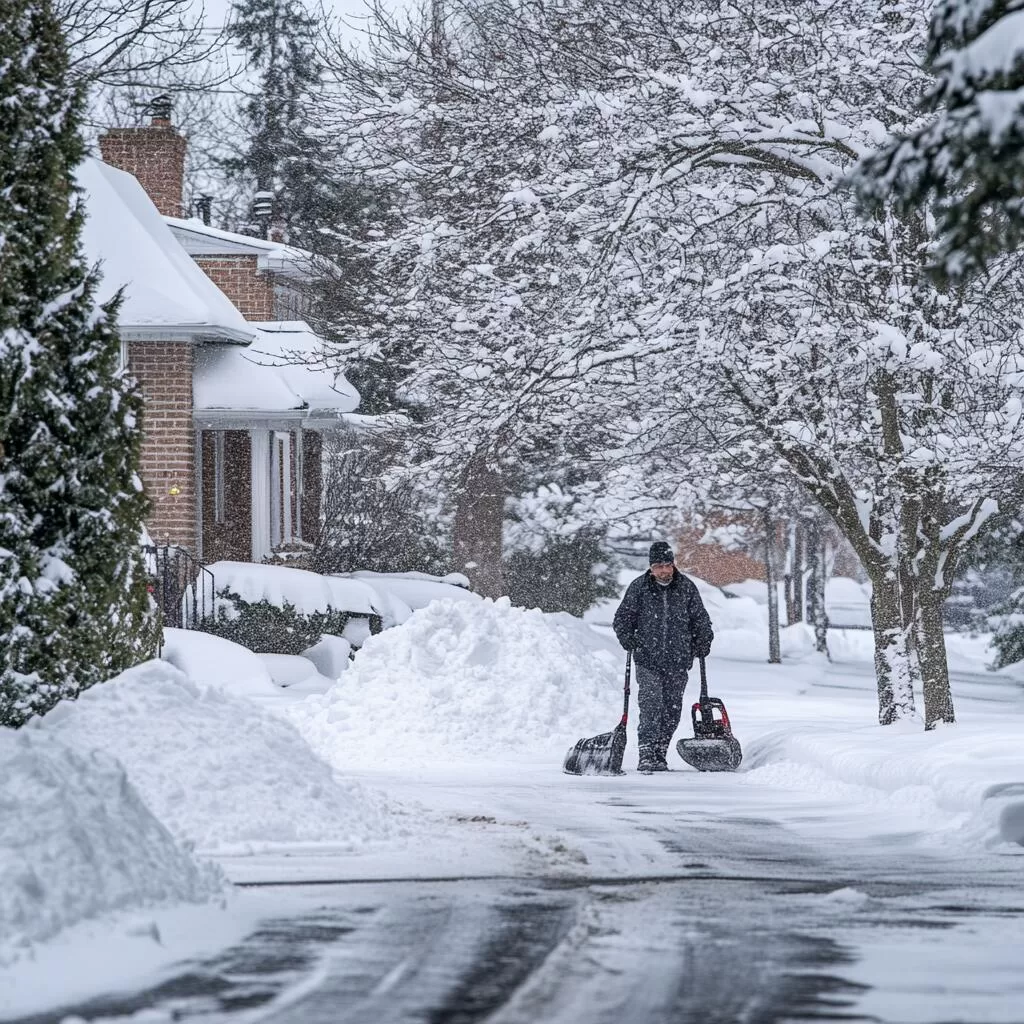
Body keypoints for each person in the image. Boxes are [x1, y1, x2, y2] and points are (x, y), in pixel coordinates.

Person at [612, 541, 714, 773]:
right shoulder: (639, 588)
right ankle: (646, 753)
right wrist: (627, 638)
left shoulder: (686, 588)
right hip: (648, 659)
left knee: (672, 709)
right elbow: (622, 619)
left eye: (668, 565)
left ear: (673, 565)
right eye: (659, 566)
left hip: (678, 661)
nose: (664, 571)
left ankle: (660, 752)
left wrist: (703, 639)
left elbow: (700, 619)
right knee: (651, 706)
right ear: (651, 567)